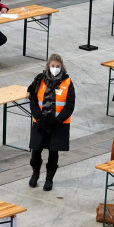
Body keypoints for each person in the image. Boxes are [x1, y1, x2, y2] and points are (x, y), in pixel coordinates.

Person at [28, 54, 76, 191]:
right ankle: (35, 172)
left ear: (62, 67)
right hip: (40, 122)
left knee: (53, 153)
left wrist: (58, 120)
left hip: (58, 124)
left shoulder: (67, 82)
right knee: (35, 151)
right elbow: (33, 100)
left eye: (58, 66)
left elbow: (70, 104)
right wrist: (39, 117)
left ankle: (49, 179)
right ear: (48, 66)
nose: (55, 69)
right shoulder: (39, 80)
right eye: (53, 66)